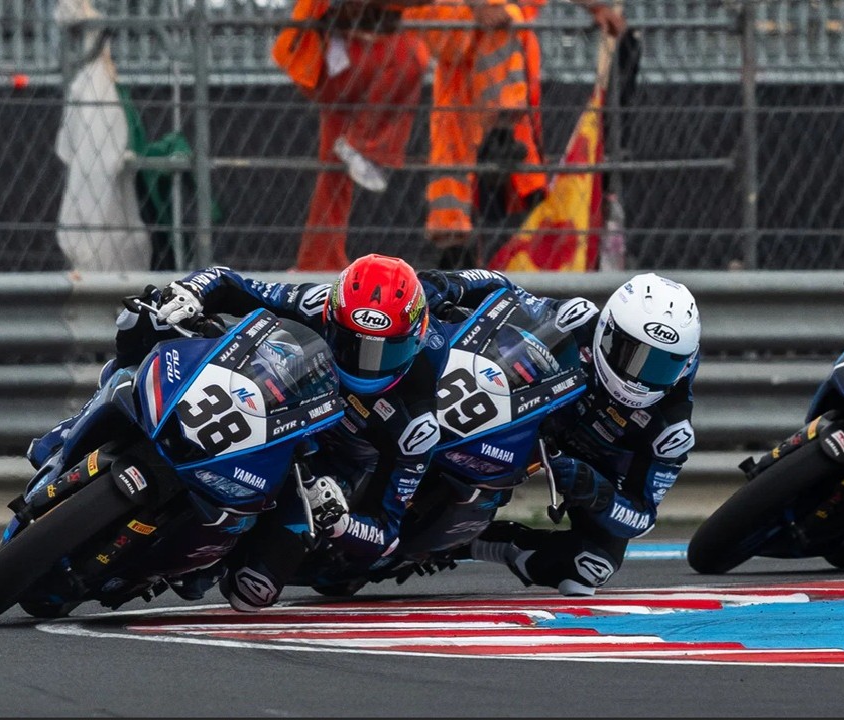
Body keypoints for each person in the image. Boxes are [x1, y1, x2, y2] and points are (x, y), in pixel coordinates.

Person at [124, 254, 440, 610]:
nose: (365, 364)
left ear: (416, 339)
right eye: (351, 344)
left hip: (323, 470)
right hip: (267, 403)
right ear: (331, 316)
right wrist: (192, 291)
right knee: (143, 321)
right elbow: (229, 282)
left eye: (385, 352)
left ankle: (202, 557)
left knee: (252, 590)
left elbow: (387, 533)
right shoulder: (314, 303)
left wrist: (340, 522)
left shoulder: (417, 424)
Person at [423, 269, 701, 595]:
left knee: (591, 566)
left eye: (661, 366)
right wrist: (449, 284)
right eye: (633, 355)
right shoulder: (577, 319)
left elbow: (641, 518)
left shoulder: (670, 431)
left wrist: (596, 490)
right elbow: (505, 289)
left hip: (588, 466)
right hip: (526, 417)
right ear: (608, 331)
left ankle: (476, 543)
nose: (640, 378)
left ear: (685, 364)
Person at [404, 0, 626, 269]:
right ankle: (499, 133)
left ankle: (453, 242)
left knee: (451, 137)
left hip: (486, 63)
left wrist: (596, 8)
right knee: (504, 19)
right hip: (459, 24)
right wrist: (479, 7)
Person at [272, 0, 431, 271]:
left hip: (352, 61)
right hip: (334, 62)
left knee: (334, 169)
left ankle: (317, 261)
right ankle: (362, 144)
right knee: (411, 55)